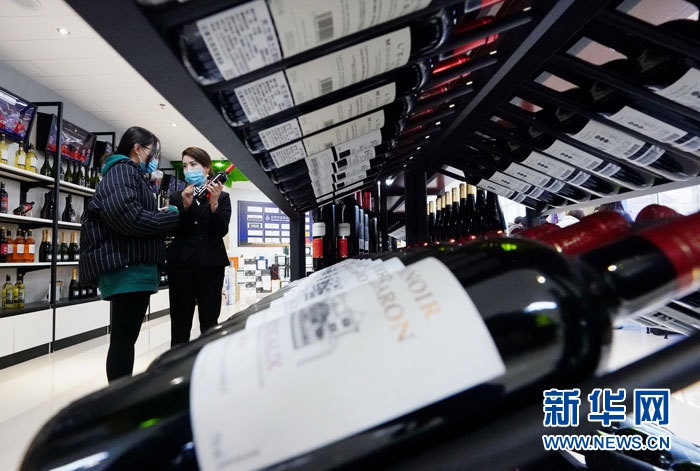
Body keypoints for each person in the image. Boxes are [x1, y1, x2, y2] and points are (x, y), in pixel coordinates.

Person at [80, 126, 180, 382]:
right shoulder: (123, 171)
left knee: (125, 339)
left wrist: (158, 215)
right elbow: (129, 218)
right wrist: (170, 216)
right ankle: (118, 396)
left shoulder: (128, 174)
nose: (154, 158)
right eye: (153, 152)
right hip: (127, 268)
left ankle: (119, 391)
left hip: (132, 268)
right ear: (138, 148)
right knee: (123, 340)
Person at [167, 146, 232, 347]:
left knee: (210, 322)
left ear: (206, 168)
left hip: (211, 265)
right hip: (181, 265)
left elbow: (221, 231)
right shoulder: (177, 197)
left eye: (193, 164)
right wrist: (186, 207)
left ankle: (208, 361)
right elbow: (173, 230)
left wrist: (214, 204)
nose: (189, 170)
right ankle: (176, 362)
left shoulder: (222, 197)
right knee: (180, 323)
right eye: (185, 166)